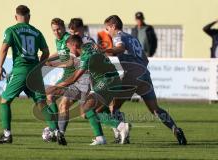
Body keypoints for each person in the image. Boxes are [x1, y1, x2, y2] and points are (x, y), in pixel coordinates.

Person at [104, 15, 187, 145]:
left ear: (113, 26)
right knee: (155, 109)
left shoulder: (118, 36)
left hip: (131, 76)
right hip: (144, 75)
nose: (107, 31)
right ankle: (175, 129)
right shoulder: (133, 37)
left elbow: (119, 47)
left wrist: (106, 50)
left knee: (112, 107)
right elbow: (145, 58)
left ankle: (121, 135)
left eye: (107, 28)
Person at [0, 5, 63, 145]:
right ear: (29, 17)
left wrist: (0, 67)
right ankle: (56, 131)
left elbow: (4, 49)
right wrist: (39, 65)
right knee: (42, 103)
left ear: (15, 17)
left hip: (20, 70)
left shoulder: (11, 30)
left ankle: (7, 134)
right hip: (34, 72)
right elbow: (46, 52)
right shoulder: (36, 32)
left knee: (5, 101)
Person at [47, 35, 130, 145]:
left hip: (106, 82)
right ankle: (104, 135)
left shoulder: (86, 57)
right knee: (91, 111)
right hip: (114, 81)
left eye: (69, 48)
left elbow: (74, 78)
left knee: (87, 108)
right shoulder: (89, 47)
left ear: (75, 45)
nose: (69, 52)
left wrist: (55, 87)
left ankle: (120, 126)